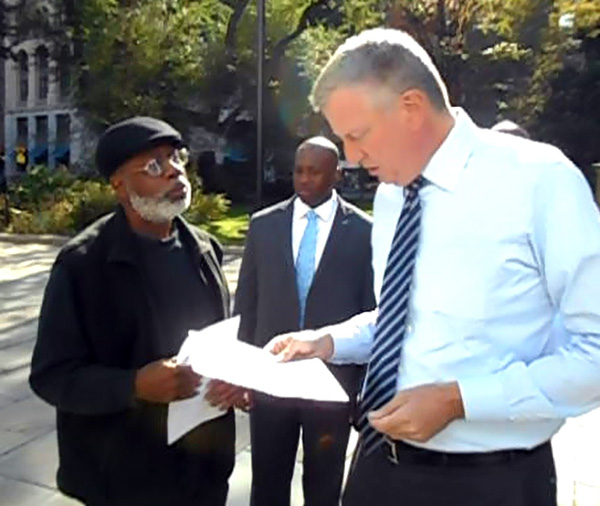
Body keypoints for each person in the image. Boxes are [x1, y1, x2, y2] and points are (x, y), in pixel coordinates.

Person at [268, 28, 600, 506]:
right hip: (377, 465)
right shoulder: (389, 197)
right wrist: (328, 341)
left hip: (491, 483)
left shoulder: (540, 182)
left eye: (356, 136)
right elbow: (403, 318)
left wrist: (459, 400)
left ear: (411, 107)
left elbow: (592, 353)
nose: (353, 159)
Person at [29, 117, 242, 506]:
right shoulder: (82, 264)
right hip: (123, 481)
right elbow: (51, 376)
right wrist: (134, 386)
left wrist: (233, 382)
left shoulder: (205, 249)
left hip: (204, 473)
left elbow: (215, 345)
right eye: (155, 165)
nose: (175, 170)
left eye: (176, 158)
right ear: (119, 186)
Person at [235, 136, 375, 506]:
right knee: (267, 482)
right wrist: (241, 373)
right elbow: (246, 304)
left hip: (331, 384)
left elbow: (371, 311)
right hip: (270, 378)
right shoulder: (264, 226)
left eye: (315, 171)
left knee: (325, 485)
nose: (305, 179)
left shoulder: (364, 232)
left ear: (337, 175)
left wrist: (361, 388)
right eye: (299, 171)